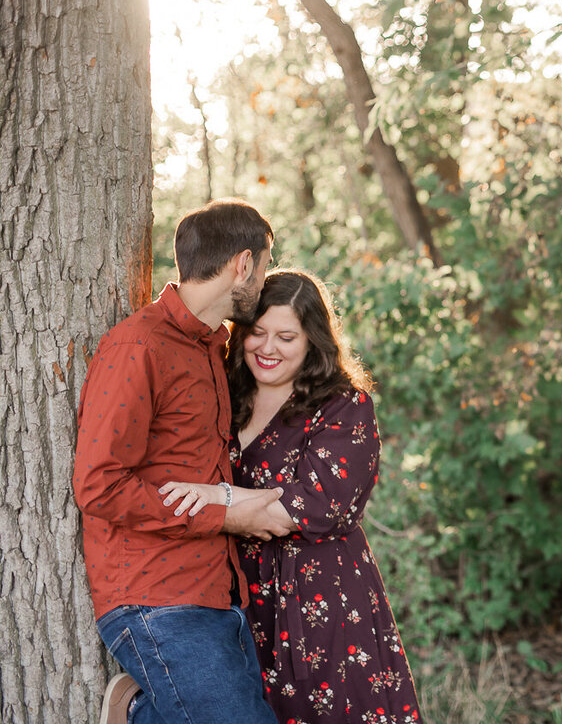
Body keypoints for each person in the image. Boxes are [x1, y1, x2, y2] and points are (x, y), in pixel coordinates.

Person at [159, 269, 422, 724]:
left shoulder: (344, 407)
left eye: (286, 336)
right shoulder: (225, 391)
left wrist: (214, 496)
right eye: (257, 333)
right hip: (236, 593)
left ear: (312, 341)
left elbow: (301, 510)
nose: (268, 348)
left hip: (320, 599)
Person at [73, 199, 294, 724]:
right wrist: (226, 514)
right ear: (243, 264)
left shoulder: (210, 351)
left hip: (217, 594)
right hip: (156, 599)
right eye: (263, 268)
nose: (263, 282)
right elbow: (99, 486)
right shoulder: (139, 345)